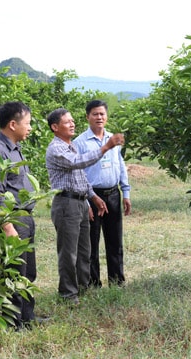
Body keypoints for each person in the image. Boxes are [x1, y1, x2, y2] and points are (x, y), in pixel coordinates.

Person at [45, 108, 124, 305]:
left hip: (80, 202)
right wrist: (105, 147)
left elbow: (81, 177)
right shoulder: (57, 148)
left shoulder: (70, 145)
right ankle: (68, 294)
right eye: (67, 122)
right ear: (55, 127)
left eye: (72, 121)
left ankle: (83, 288)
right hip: (66, 204)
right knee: (68, 253)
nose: (72, 124)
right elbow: (78, 163)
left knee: (84, 252)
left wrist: (92, 197)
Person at [0, 101, 45, 331]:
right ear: (12, 124)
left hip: (24, 218)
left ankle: (27, 317)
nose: (30, 128)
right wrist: (7, 226)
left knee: (28, 271)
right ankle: (12, 322)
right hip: (12, 220)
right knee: (12, 272)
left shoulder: (15, 148)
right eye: (27, 123)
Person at [74, 100, 131, 287]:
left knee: (115, 241)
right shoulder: (80, 143)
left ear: (106, 116)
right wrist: (87, 200)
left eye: (102, 114)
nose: (99, 117)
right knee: (91, 243)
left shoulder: (114, 139)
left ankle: (117, 281)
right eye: (95, 114)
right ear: (87, 117)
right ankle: (93, 283)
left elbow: (120, 166)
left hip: (113, 194)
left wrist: (126, 192)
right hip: (92, 197)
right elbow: (78, 174)